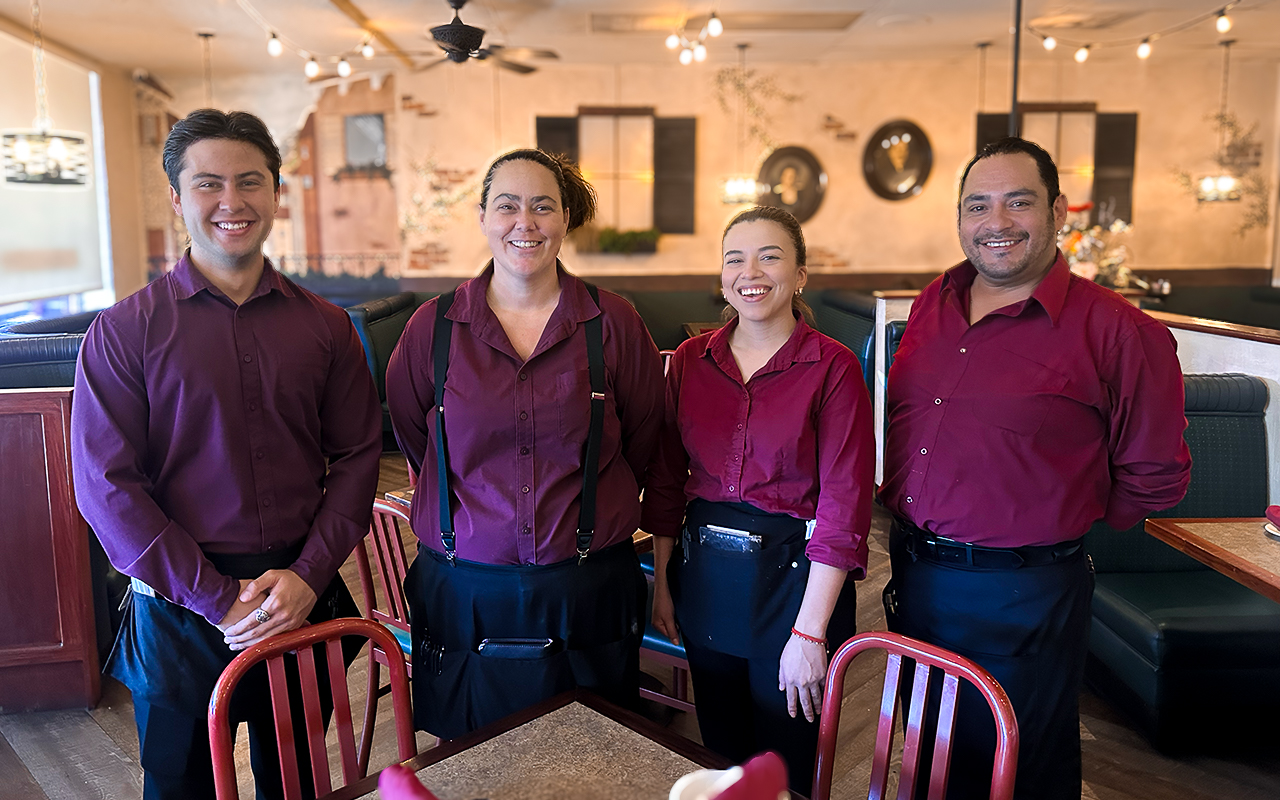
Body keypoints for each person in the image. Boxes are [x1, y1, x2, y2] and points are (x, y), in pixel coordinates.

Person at [72, 109, 382, 800]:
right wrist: (218, 601)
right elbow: (106, 488)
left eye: (250, 182)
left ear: (276, 194)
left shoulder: (326, 328)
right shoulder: (124, 332)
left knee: (295, 782)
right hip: (179, 610)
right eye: (208, 184)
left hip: (299, 596)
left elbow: (360, 457)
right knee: (177, 784)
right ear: (178, 199)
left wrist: (306, 575)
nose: (231, 202)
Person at [880, 137, 1191, 800]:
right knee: (930, 754)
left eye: (1018, 202)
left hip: (1024, 595)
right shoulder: (934, 302)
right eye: (977, 205)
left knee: (1018, 768)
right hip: (914, 574)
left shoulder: (1120, 332)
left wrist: (1051, 524)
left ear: (1057, 213)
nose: (995, 222)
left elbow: (1155, 474)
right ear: (960, 219)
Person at [385, 148, 664, 739]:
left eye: (543, 206)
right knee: (470, 760)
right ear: (483, 216)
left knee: (591, 756)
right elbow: (416, 438)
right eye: (507, 205)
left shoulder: (613, 323)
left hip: (585, 584)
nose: (525, 222)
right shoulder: (430, 329)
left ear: (566, 219)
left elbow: (643, 438)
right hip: (464, 588)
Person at [642, 206, 874, 792]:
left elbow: (845, 508)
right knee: (721, 746)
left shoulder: (834, 367)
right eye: (735, 258)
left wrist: (810, 634)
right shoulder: (691, 362)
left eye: (770, 256)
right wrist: (665, 582)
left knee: (786, 755)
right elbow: (668, 481)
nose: (751, 271)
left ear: (799, 274)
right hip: (706, 571)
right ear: (722, 277)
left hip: (794, 583)